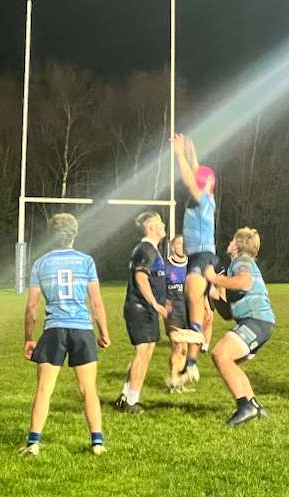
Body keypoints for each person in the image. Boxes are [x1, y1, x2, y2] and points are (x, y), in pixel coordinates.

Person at [20, 214, 110, 456]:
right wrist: (103, 332)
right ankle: (97, 443)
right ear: (74, 234)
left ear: (51, 235)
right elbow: (96, 302)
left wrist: (29, 338)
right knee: (88, 389)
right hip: (82, 329)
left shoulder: (40, 264)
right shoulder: (86, 262)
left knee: (44, 389)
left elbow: (31, 307)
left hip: (54, 330)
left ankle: (33, 443)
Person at [204, 228, 276, 426]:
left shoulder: (241, 261)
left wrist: (215, 279)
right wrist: (215, 298)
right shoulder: (235, 267)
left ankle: (245, 406)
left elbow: (244, 283)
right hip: (259, 322)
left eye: (231, 240)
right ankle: (254, 404)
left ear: (237, 245)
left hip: (256, 320)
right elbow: (228, 314)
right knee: (229, 361)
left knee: (220, 355)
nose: (228, 243)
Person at [170, 134, 219, 389]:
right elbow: (197, 175)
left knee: (192, 297)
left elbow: (191, 180)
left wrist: (179, 154)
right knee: (193, 302)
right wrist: (192, 153)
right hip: (199, 255)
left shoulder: (201, 200)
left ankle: (196, 336)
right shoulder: (204, 199)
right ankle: (191, 365)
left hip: (202, 255)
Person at [114, 211, 168, 413]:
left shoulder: (151, 249)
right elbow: (141, 278)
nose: (164, 226)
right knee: (142, 353)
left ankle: (126, 395)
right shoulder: (145, 250)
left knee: (145, 353)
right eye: (160, 223)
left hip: (145, 309)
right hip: (140, 308)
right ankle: (131, 401)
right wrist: (155, 303)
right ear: (151, 227)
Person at [164, 234, 191, 392]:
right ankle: (173, 380)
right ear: (173, 247)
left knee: (185, 349)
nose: (182, 246)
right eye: (179, 244)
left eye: (184, 243)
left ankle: (180, 382)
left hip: (188, 311)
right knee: (177, 346)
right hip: (173, 312)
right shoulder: (166, 267)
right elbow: (160, 289)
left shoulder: (192, 265)